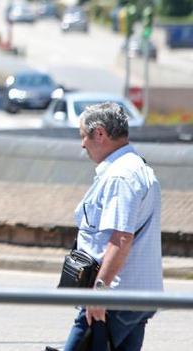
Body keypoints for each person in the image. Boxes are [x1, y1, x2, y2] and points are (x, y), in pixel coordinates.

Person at [60, 102, 162, 351]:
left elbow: (121, 239)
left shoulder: (120, 176)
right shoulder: (138, 167)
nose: (82, 144)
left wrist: (99, 292)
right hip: (136, 296)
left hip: (114, 296)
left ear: (100, 134)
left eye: (83, 136)